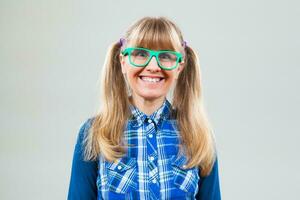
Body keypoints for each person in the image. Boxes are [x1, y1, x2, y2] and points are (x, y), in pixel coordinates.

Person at [68, 16, 221, 200]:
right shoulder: (94, 133)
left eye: (165, 56)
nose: (153, 66)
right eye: (140, 54)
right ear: (123, 62)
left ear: (179, 66)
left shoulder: (198, 135)